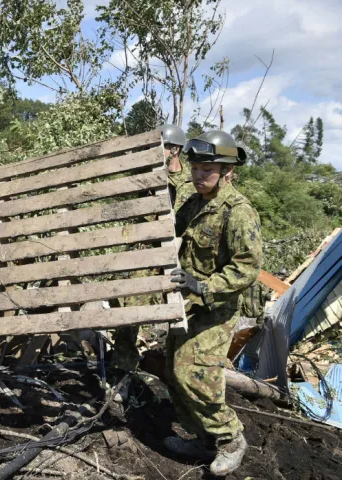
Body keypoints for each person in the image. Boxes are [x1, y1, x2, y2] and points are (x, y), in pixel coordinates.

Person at [165, 130, 261, 476]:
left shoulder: (238, 212)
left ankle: (231, 439)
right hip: (188, 303)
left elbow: (247, 269)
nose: (199, 176)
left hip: (216, 308)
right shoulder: (194, 201)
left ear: (227, 171)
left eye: (207, 170)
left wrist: (203, 285)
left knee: (195, 374)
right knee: (173, 371)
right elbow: (171, 229)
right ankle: (205, 440)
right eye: (195, 169)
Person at [111, 124, 187, 390]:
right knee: (129, 308)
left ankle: (177, 372)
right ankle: (122, 367)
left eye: (164, 148)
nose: (159, 153)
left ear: (175, 150)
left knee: (181, 315)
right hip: (144, 253)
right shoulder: (146, 176)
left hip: (177, 255)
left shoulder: (190, 183)